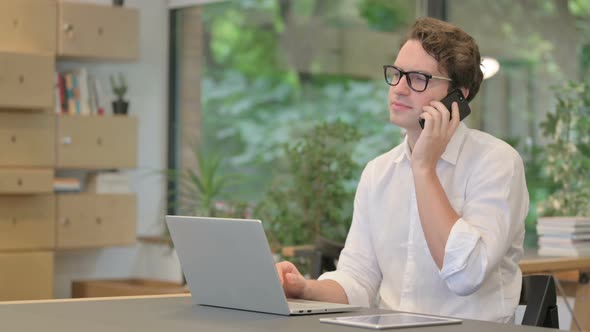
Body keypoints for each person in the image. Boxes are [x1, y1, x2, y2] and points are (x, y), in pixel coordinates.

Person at [275, 17, 529, 323]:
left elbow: (466, 274)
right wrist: (304, 288)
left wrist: (424, 169)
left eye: (418, 78)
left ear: (458, 96)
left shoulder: (497, 162)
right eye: (396, 74)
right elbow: (359, 279)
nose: (399, 88)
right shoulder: (378, 172)